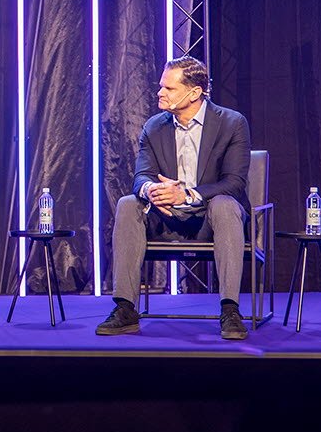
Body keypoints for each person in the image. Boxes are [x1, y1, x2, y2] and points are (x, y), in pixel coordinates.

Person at [95, 56, 252, 342]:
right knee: (128, 203)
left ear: (194, 93)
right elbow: (141, 177)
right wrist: (152, 191)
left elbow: (234, 183)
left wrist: (187, 194)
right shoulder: (154, 127)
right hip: (166, 218)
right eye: (161, 86)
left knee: (226, 204)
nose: (160, 93)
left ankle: (230, 309)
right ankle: (125, 308)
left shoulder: (231, 123)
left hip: (209, 220)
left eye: (169, 88)